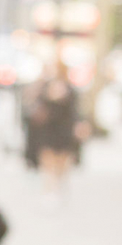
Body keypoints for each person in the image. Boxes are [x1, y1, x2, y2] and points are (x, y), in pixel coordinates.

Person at [27, 60, 82, 200]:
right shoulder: (43, 87)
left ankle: (59, 186)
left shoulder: (70, 89)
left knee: (62, 162)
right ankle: (50, 190)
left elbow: (75, 110)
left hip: (64, 130)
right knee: (48, 160)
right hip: (48, 130)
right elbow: (35, 106)